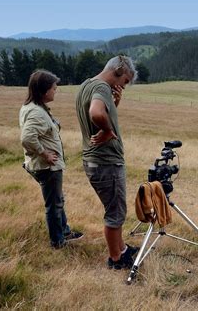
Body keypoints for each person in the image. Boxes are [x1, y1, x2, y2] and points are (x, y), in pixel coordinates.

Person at [75, 55, 139, 270]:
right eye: (125, 81)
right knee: (116, 213)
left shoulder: (87, 84)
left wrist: (115, 105)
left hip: (95, 161)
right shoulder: (102, 87)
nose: (124, 86)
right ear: (119, 71)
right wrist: (107, 130)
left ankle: (121, 248)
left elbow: (98, 111)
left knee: (114, 207)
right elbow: (95, 113)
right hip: (106, 163)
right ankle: (116, 259)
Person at [20, 70, 83, 249]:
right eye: (54, 88)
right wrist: (45, 154)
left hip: (45, 166)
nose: (56, 91)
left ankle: (64, 231)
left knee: (57, 200)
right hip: (47, 167)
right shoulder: (36, 113)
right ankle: (57, 241)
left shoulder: (33, 107)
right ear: (44, 90)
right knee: (54, 205)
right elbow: (27, 138)